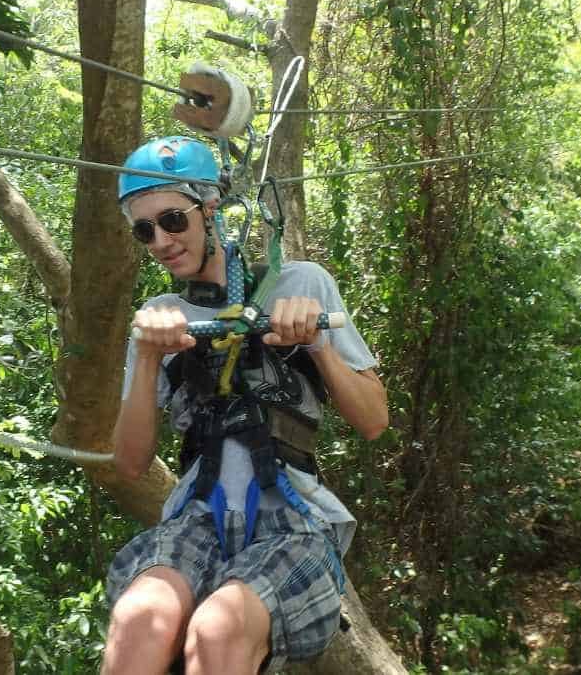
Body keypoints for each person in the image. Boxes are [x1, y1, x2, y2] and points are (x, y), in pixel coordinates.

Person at [101, 135, 388, 674]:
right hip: (199, 516)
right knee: (140, 619)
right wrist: (144, 359)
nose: (161, 240)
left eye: (172, 220)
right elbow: (130, 463)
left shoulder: (300, 284)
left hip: (293, 520)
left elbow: (374, 420)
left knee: (219, 631)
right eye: (145, 230)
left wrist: (317, 344)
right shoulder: (162, 314)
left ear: (211, 209)